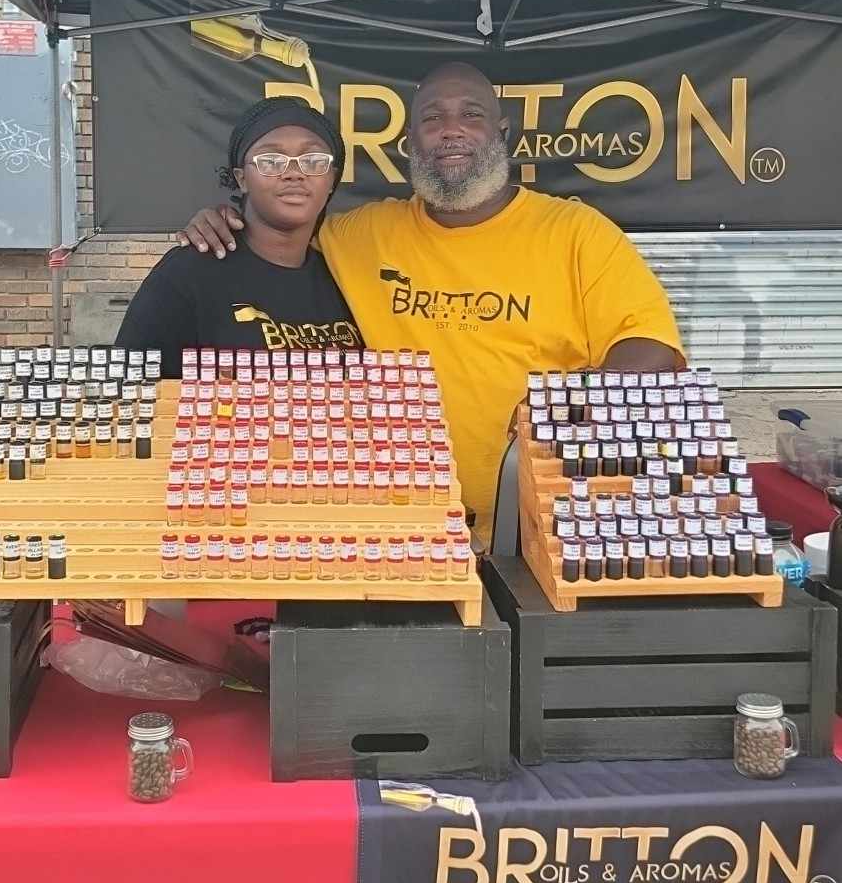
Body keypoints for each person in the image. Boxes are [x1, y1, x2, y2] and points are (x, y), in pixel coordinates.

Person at [179, 62, 682, 536]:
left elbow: (653, 347)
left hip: (543, 529)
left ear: (503, 134)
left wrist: (569, 404)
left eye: (471, 115)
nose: (451, 131)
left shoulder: (576, 232)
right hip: (403, 530)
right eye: (432, 119)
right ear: (410, 143)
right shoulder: (363, 234)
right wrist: (226, 219)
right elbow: (278, 230)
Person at [117, 97, 361, 370]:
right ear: (242, 178)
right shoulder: (189, 274)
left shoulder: (346, 274)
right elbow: (130, 383)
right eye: (271, 161)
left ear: (331, 180)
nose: (294, 173)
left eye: (313, 160)